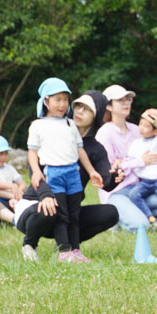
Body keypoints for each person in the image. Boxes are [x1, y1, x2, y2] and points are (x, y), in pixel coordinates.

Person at [16, 91, 121, 261]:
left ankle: (67, 247)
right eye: (78, 106)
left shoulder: (95, 149)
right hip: (37, 205)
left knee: (110, 213)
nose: (79, 111)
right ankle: (29, 244)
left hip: (67, 208)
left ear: (97, 115)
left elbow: (105, 182)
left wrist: (116, 177)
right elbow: (34, 172)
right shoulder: (50, 134)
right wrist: (46, 195)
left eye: (86, 109)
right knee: (51, 209)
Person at [26, 78, 103, 262]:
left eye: (65, 99)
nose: (62, 104)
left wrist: (91, 171)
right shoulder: (37, 125)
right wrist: (36, 171)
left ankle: (75, 250)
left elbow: (80, 150)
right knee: (61, 215)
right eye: (57, 99)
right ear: (46, 101)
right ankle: (63, 251)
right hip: (54, 174)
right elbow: (32, 153)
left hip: (72, 174)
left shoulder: (70, 125)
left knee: (74, 214)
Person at [96, 84, 157, 231]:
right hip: (117, 193)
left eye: (128, 99)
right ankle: (117, 218)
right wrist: (139, 161)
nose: (126, 103)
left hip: (141, 188)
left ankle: (143, 215)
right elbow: (109, 171)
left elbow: (156, 158)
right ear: (109, 107)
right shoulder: (104, 133)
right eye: (121, 100)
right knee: (142, 226)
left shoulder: (137, 129)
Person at [124, 110, 157, 228]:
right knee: (133, 195)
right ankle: (150, 217)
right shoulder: (136, 143)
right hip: (144, 181)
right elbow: (130, 160)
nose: (141, 128)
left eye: (146, 126)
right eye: (140, 124)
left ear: (156, 131)